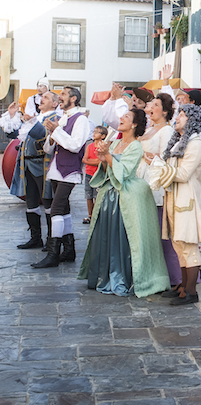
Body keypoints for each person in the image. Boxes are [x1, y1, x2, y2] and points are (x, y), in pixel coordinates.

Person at [78, 108, 170, 298]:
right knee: (106, 236)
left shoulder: (136, 146)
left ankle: (121, 276)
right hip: (109, 196)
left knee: (122, 237)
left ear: (134, 124)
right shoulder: (116, 142)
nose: (121, 118)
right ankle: (105, 275)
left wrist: (108, 157)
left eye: (126, 117)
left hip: (124, 196)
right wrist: (103, 159)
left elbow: (126, 172)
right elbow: (106, 168)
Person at [155, 104, 201, 305]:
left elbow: (184, 174)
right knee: (178, 244)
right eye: (179, 113)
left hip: (186, 200)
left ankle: (191, 291)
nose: (177, 117)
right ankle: (182, 285)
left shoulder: (194, 144)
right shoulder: (181, 142)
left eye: (183, 114)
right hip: (175, 199)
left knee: (188, 246)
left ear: (192, 121)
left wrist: (159, 169)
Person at [32, 86, 91, 269]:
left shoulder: (81, 119)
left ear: (73, 99)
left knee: (56, 209)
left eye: (64, 94)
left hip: (69, 170)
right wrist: (52, 136)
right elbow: (50, 149)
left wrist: (57, 131)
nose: (61, 97)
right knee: (63, 210)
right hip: (57, 168)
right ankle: (69, 250)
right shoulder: (63, 118)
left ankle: (53, 254)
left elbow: (75, 145)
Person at [137, 92, 182, 288]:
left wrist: (148, 155)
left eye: (155, 104)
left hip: (154, 181)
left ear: (164, 111)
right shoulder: (148, 129)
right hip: (141, 178)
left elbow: (167, 157)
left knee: (161, 233)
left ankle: (173, 276)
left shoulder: (166, 131)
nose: (150, 107)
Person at [14, 91, 60, 249]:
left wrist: (33, 122)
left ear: (55, 103)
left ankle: (50, 240)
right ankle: (35, 238)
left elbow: (47, 143)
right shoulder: (35, 118)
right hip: (26, 164)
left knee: (48, 202)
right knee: (31, 201)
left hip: (43, 165)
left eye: (46, 97)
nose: (41, 99)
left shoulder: (55, 119)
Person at [82, 125, 107, 223]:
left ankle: (96, 214)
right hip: (88, 173)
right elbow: (84, 159)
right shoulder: (90, 146)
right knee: (88, 195)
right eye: (94, 131)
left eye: (97, 132)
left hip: (98, 174)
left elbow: (100, 162)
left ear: (103, 136)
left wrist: (92, 161)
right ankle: (90, 214)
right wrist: (95, 161)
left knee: (97, 195)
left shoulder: (103, 147)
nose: (94, 133)